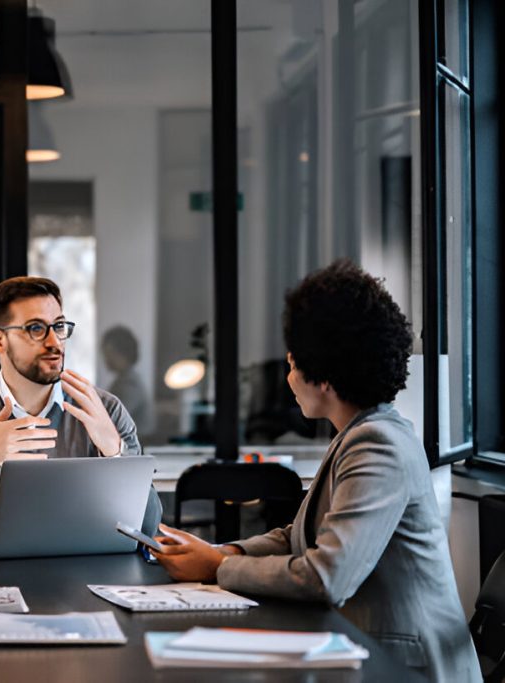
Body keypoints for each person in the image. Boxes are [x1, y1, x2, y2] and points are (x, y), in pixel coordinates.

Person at [150, 260, 480, 682]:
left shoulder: (377, 443)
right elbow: (298, 535)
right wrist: (226, 552)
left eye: (292, 363)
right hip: (368, 650)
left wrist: (215, 567)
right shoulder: (358, 433)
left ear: (323, 376)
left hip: (406, 668)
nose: (287, 376)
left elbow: (328, 576)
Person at [0, 276, 162, 539]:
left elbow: (148, 529)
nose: (55, 342)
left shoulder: (106, 411)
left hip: (86, 573)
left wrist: (115, 452)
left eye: (58, 326)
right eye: (36, 328)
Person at [101, 325, 154, 435]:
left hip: (134, 447)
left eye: (108, 351)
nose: (105, 357)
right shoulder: (125, 379)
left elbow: (112, 420)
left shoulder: (129, 384)